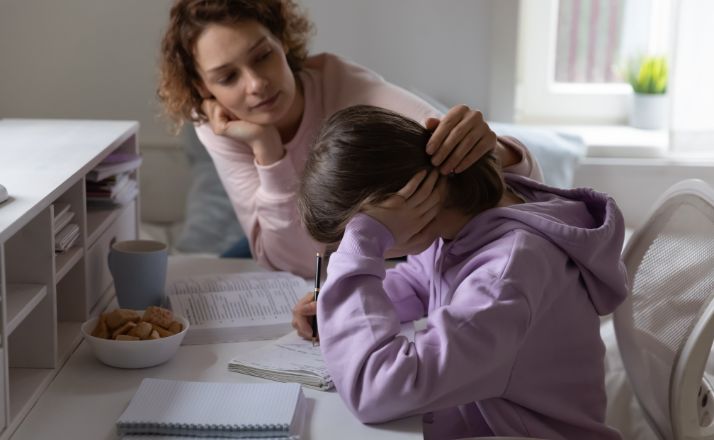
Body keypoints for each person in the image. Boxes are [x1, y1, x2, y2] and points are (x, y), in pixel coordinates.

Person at [296, 105, 628, 439]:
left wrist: (363, 245)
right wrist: (336, 307)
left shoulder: (505, 277)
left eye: (353, 240)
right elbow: (417, 282)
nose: (360, 250)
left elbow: (378, 388)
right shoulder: (468, 220)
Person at [157, 0, 542, 279]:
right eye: (227, 78)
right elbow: (290, 261)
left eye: (262, 56)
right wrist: (266, 149)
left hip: (390, 254)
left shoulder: (347, 87)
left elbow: (510, 185)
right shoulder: (221, 126)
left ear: (282, 42)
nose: (256, 84)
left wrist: (498, 149)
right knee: (208, 281)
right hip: (310, 247)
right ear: (202, 87)